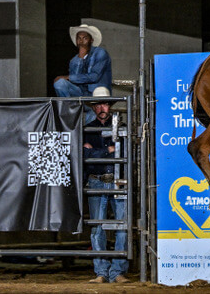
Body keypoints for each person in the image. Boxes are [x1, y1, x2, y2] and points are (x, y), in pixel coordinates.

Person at [84, 87, 129, 283]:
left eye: (104, 103)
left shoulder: (120, 126)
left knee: (121, 225)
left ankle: (116, 271)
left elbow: (124, 152)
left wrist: (96, 153)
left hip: (115, 179)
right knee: (97, 227)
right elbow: (86, 155)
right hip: (98, 178)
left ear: (109, 106)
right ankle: (102, 272)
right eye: (98, 104)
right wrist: (109, 151)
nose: (101, 107)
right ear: (93, 107)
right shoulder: (87, 129)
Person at [54, 24, 112, 98]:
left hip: (96, 94)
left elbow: (94, 77)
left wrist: (68, 77)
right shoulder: (74, 60)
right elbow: (75, 80)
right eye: (79, 38)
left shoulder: (100, 53)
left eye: (85, 38)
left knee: (63, 79)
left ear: (91, 40)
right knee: (60, 83)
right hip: (80, 94)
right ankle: (68, 108)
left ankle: (81, 107)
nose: (81, 41)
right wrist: (80, 58)